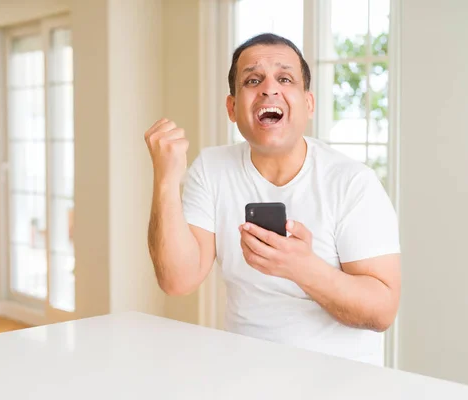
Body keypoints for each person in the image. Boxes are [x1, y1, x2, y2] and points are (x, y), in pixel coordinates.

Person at [144, 33, 401, 365]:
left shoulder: (352, 182)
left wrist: (302, 268)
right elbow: (177, 280)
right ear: (232, 108)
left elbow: (382, 312)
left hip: (340, 383)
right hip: (245, 375)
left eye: (284, 78)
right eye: (253, 79)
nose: (269, 88)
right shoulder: (211, 169)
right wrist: (166, 179)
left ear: (308, 104)